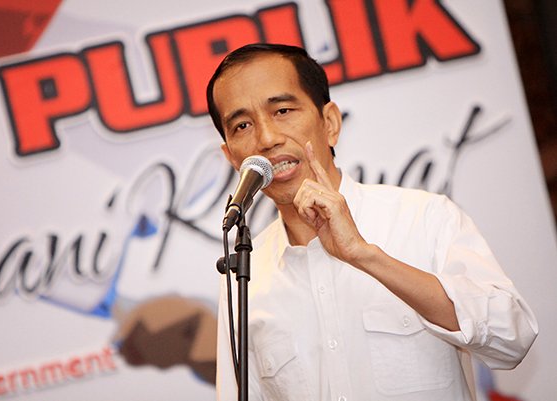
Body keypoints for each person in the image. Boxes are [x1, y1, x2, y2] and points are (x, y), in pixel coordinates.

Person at [206, 43, 538, 401]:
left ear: (330, 123)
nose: (267, 139)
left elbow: (512, 338)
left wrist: (365, 255)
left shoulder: (424, 218)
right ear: (232, 157)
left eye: (283, 110)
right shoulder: (245, 277)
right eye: (242, 125)